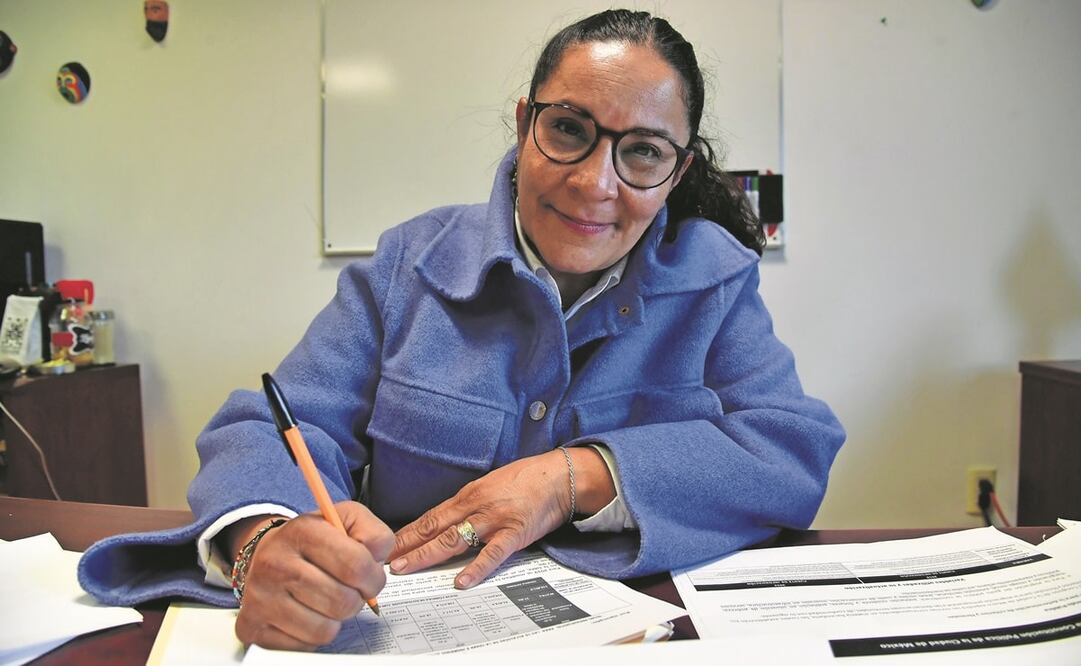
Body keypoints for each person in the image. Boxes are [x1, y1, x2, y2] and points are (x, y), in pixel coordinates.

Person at [78, 8, 845, 652]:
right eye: (570, 129)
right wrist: (263, 541)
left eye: (642, 151)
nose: (593, 183)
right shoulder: (410, 262)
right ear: (523, 124)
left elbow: (789, 447)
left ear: (675, 172)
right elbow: (276, 427)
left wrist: (574, 477)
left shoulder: (716, 278)